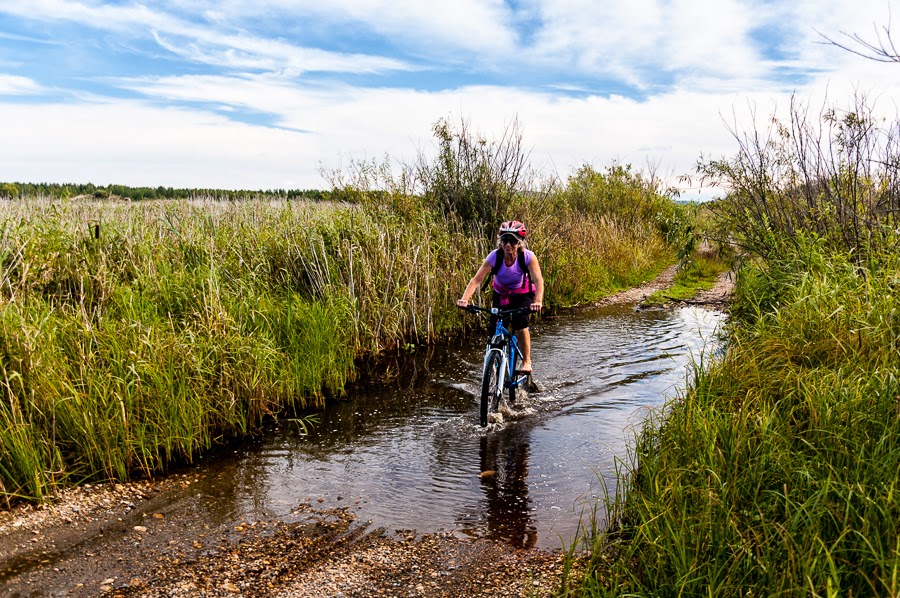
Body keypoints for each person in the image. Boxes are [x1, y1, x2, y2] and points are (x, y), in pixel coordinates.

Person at [456, 220, 545, 373]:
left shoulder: (528, 257)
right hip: (500, 294)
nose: (508, 244)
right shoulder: (494, 257)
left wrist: (537, 301)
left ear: (519, 242)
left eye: (512, 240)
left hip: (521, 294)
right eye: (504, 240)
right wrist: (465, 299)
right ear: (500, 241)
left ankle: (526, 362)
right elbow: (476, 280)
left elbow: (538, 280)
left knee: (520, 324)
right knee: (493, 329)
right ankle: (492, 362)